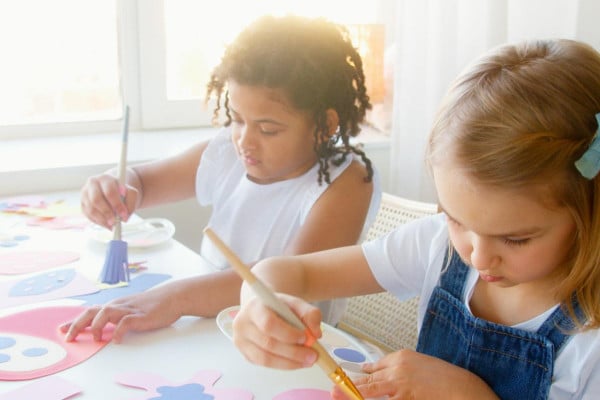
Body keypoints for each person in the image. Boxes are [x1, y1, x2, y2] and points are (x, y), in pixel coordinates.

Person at [231, 38, 600, 399]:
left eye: (516, 239)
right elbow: (294, 272)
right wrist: (260, 303)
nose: (478, 257)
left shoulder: (589, 339)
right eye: (457, 219)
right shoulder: (436, 245)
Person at [61, 15, 381, 343]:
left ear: (326, 125)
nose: (245, 140)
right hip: (209, 331)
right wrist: (115, 184)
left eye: (268, 129)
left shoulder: (348, 181)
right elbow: (141, 182)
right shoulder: (229, 151)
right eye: (238, 119)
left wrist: (174, 298)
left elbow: (285, 279)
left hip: (292, 349)